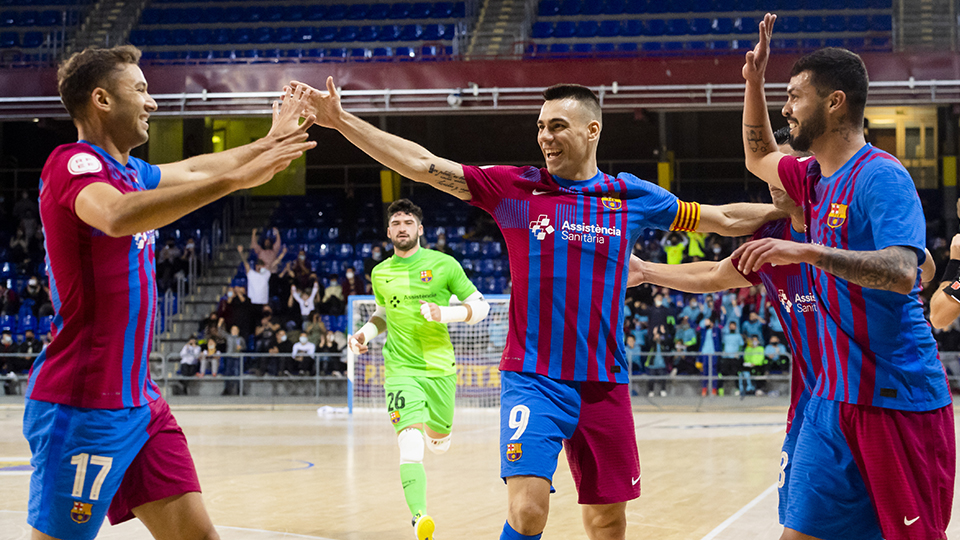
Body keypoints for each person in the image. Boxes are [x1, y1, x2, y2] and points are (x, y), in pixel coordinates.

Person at [294, 76, 783, 540]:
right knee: (527, 509)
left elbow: (720, 219)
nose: (544, 137)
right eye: (540, 127)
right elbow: (422, 164)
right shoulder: (514, 189)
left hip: (603, 382)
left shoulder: (630, 196)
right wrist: (341, 121)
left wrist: (795, 207)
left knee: (609, 521)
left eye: (556, 126)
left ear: (592, 130)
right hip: (533, 377)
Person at [22, 45, 315, 540]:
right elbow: (115, 216)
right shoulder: (71, 164)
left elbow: (201, 168)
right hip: (82, 403)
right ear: (101, 100)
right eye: (140, 89)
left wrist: (269, 142)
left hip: (141, 403)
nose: (152, 102)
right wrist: (237, 180)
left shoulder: (132, 172)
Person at [736, 14, 954, 539]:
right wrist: (753, 84)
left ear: (834, 103)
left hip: (897, 398)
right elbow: (760, 154)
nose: (787, 108)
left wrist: (806, 250)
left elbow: (905, 272)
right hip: (832, 400)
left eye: (795, 96)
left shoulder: (882, 176)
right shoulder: (811, 176)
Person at [348, 198, 490, 540]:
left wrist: (447, 314)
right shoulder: (380, 272)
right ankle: (420, 518)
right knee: (410, 441)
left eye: (407, 222)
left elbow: (480, 306)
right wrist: (364, 334)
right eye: (396, 223)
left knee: (438, 442)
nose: (401, 228)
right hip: (399, 369)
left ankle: (438, 435)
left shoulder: (444, 265)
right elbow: (382, 313)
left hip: (440, 368)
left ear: (420, 229)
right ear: (388, 231)